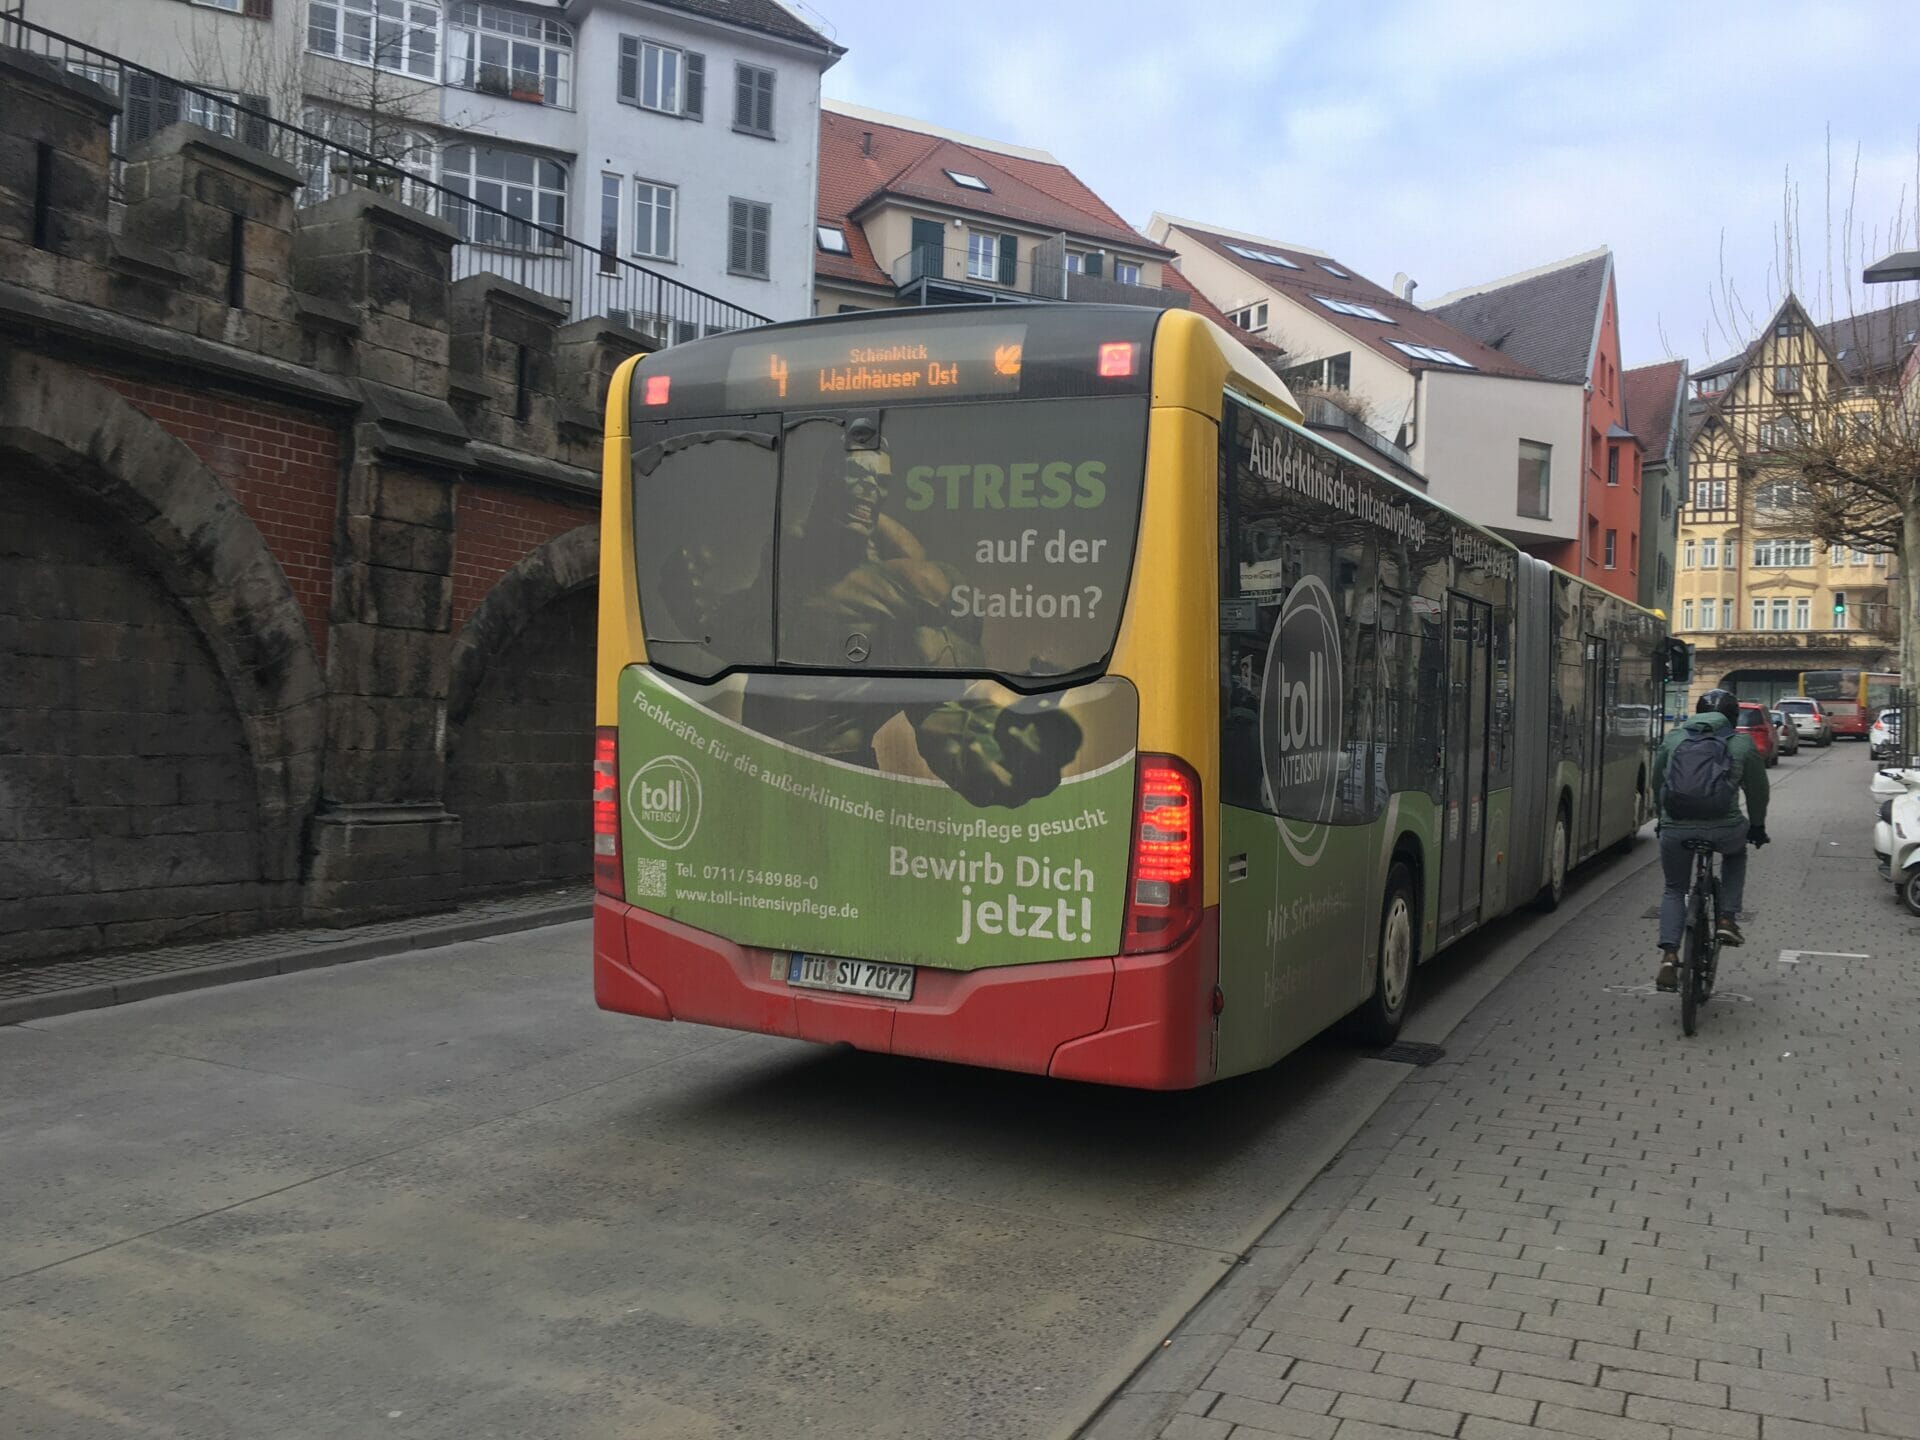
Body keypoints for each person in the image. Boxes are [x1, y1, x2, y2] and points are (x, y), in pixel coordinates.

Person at [1650, 688, 1770, 990]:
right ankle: (1727, 919)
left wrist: (1662, 817)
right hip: (1724, 828)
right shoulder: (1740, 743)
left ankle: (1669, 956)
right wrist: (1757, 826)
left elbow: (1657, 779)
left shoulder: (1674, 738)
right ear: (1731, 717)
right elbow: (1758, 790)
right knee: (1736, 853)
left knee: (1674, 889)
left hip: (1676, 829)